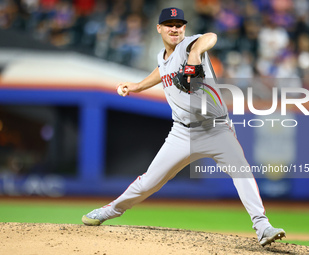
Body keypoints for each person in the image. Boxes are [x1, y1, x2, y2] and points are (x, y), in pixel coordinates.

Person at [82, 7, 285, 247]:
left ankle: (262, 226)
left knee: (241, 172)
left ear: (184, 29)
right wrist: (137, 86)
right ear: (159, 29)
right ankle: (110, 210)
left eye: (179, 24)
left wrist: (195, 54)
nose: (174, 28)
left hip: (216, 128)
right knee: (149, 182)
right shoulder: (162, 56)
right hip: (182, 132)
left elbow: (210, 37)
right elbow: (163, 69)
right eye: (169, 24)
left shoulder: (190, 45)